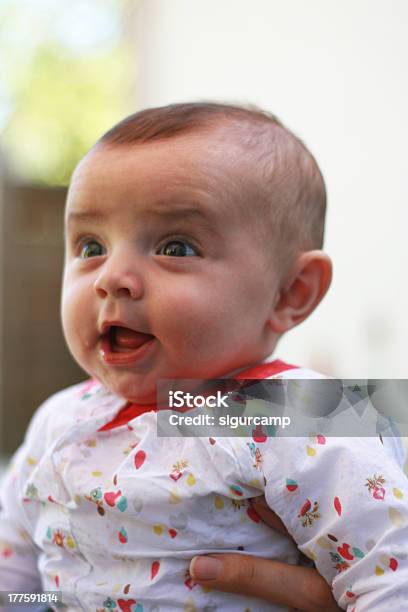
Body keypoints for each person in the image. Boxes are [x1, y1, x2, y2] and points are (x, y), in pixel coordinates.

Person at [0, 102, 406, 611]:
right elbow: (15, 577)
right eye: (89, 246)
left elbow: (390, 575)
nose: (110, 277)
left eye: (175, 247)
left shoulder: (295, 409)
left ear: (289, 293)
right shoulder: (58, 419)